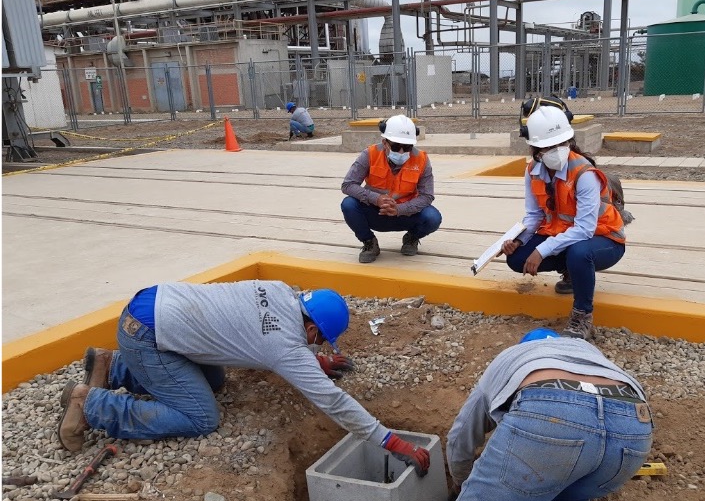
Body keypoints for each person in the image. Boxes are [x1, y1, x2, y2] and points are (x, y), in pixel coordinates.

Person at [55, 280, 431, 478]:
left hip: (154, 303)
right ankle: (92, 405)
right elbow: (333, 400)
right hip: (147, 335)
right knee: (201, 416)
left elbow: (257, 332)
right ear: (312, 328)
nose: (318, 346)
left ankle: (112, 367)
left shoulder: (280, 290)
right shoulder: (285, 348)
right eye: (319, 340)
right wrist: (392, 442)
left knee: (215, 382)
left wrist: (313, 361)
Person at [442, 328, 652, 501]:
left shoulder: (511, 356)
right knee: (557, 496)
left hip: (551, 409)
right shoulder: (585, 350)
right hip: (632, 427)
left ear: (523, 345)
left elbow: (460, 438)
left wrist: (462, 484)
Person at [501, 105, 626, 340]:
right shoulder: (533, 171)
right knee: (516, 258)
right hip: (566, 236)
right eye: (549, 146)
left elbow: (585, 229)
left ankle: (582, 316)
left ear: (569, 140)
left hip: (605, 239)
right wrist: (518, 240)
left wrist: (542, 250)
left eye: (561, 143)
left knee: (579, 253)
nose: (557, 150)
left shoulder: (584, 174)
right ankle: (571, 271)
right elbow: (534, 216)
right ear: (536, 150)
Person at [340, 114, 442, 263]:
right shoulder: (370, 154)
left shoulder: (422, 159)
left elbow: (427, 196)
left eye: (407, 147)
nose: (401, 152)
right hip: (375, 211)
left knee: (433, 217)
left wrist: (400, 209)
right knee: (349, 204)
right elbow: (348, 185)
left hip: (406, 214)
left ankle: (412, 237)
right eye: (395, 146)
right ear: (385, 142)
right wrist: (376, 199)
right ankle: (369, 242)